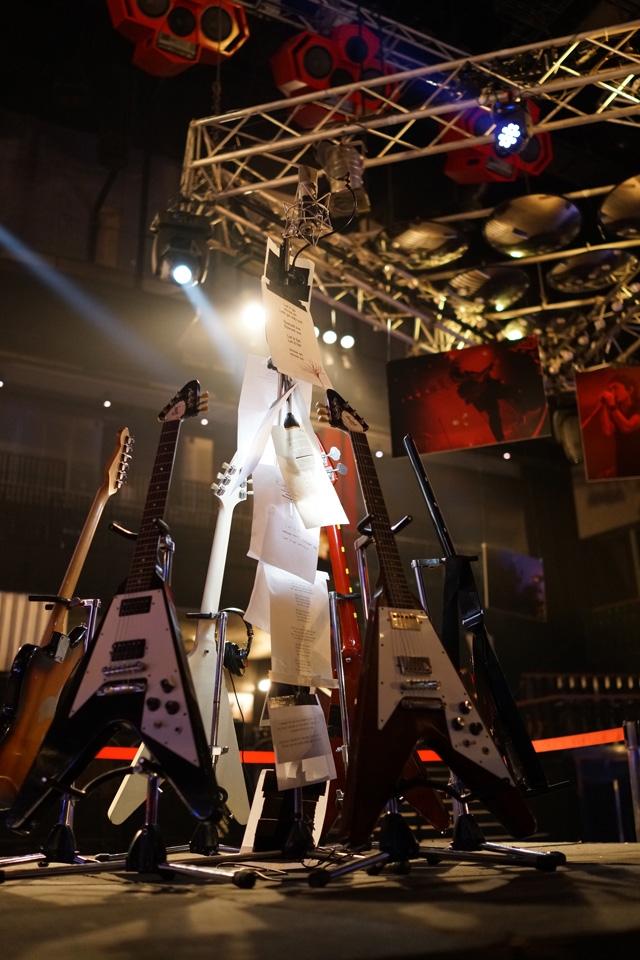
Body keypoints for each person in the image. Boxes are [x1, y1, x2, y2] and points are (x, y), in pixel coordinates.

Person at [599, 373, 640, 477]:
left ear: (630, 390)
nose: (612, 392)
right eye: (610, 389)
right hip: (623, 463)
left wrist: (612, 406)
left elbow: (628, 427)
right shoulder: (616, 411)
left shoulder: (638, 406)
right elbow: (608, 431)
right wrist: (604, 406)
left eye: (615, 388)